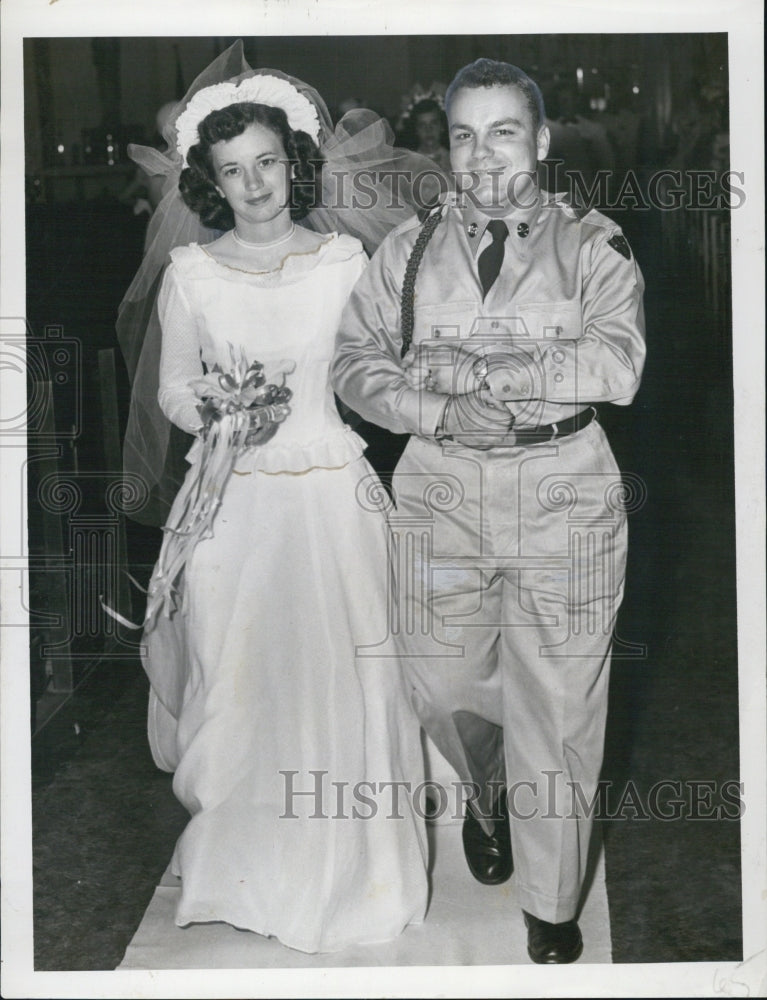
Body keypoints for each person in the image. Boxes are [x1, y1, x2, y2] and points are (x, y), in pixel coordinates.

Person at [332, 57, 646, 964]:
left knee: (560, 702)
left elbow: (616, 363)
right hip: (438, 488)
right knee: (437, 682)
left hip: (565, 492)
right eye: (463, 136)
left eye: (503, 131)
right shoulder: (406, 250)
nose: (481, 155)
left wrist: (501, 378)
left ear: (540, 142)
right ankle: (488, 786)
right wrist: (435, 410)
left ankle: (550, 904)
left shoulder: (593, 244)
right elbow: (354, 366)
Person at [121, 49, 429, 954]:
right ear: (208, 183)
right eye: (231, 171)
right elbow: (174, 388)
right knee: (240, 672)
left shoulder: (343, 259)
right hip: (231, 497)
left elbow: (376, 370)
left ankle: (359, 873)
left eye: (265, 162)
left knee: (349, 672)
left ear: (292, 164)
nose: (253, 185)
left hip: (331, 489)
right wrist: (214, 407)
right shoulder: (191, 272)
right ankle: (242, 869)